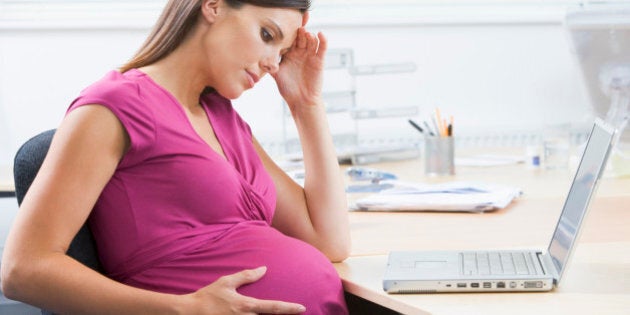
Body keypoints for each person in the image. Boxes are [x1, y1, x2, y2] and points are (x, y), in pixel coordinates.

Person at [1, 0, 351, 314]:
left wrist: (305, 104)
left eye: (283, 52)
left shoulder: (223, 118)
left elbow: (329, 241)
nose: (273, 63)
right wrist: (184, 308)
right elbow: (23, 268)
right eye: (267, 35)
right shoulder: (116, 105)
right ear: (213, 6)